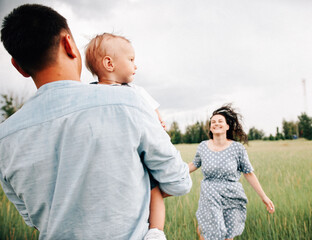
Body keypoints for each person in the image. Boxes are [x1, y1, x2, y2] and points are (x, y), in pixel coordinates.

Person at [0, 4, 192, 240]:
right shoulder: (128, 102)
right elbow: (179, 182)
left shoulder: (4, 139)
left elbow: (32, 218)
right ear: (68, 44)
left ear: (19, 67)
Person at [84, 33, 167, 240]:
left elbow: (155, 115)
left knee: (153, 190)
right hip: (112, 154)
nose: (135, 66)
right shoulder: (89, 95)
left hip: (137, 150)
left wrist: (160, 123)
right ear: (109, 63)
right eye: (131, 60)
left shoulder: (136, 91)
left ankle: (155, 231)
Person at [188, 104, 275, 240]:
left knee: (228, 236)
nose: (216, 123)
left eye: (220, 121)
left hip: (232, 196)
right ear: (210, 127)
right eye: (213, 122)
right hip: (210, 195)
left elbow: (248, 173)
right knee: (206, 232)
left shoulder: (237, 148)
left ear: (227, 126)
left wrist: (264, 197)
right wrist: (172, 172)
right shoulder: (203, 147)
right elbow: (194, 164)